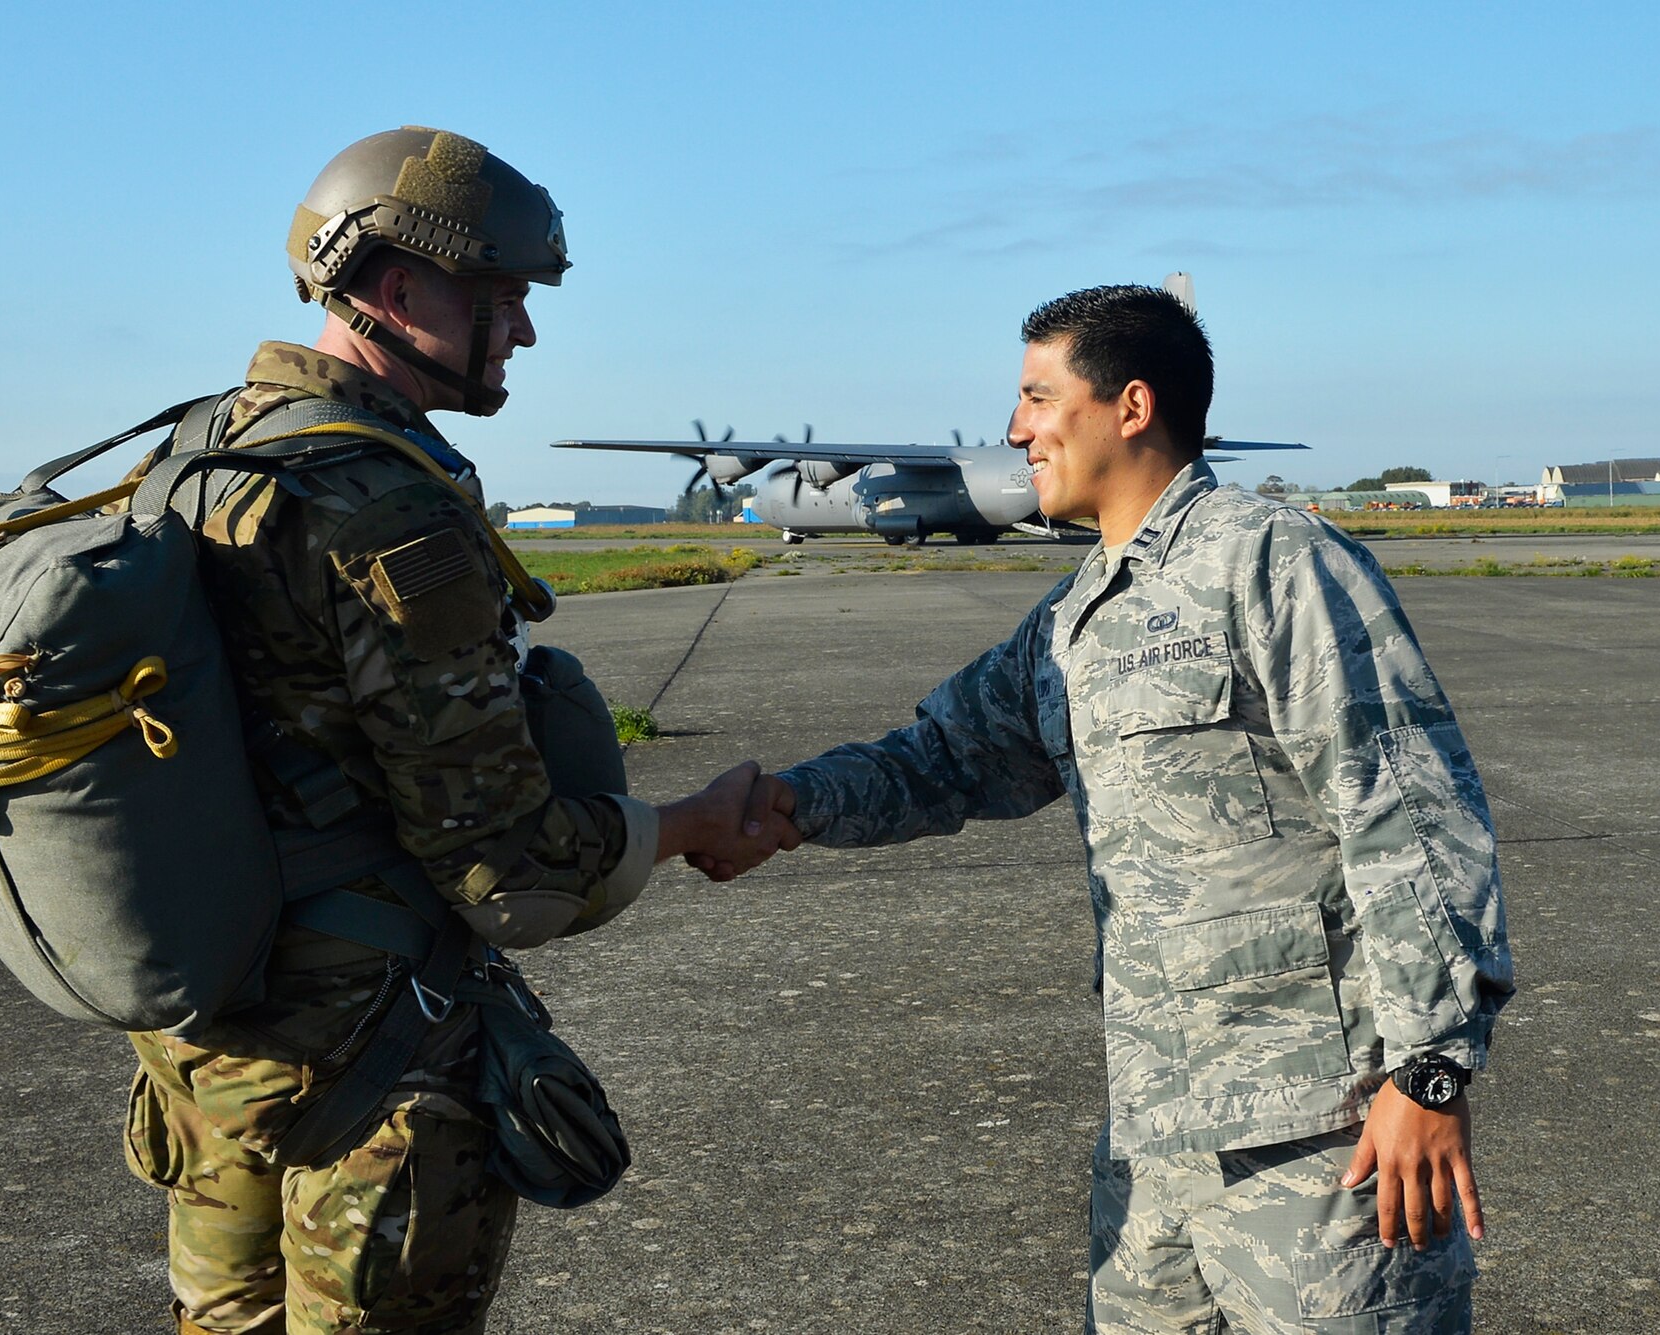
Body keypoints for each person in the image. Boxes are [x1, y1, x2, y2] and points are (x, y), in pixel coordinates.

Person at [734, 285, 1514, 1332]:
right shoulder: (1072, 615)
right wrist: (779, 803)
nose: (1015, 429)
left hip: (1320, 1138)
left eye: (1036, 396)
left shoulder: (1268, 559)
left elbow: (1407, 810)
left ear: (1129, 406)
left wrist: (1426, 1070)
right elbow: (943, 760)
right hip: (1155, 1141)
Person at [121, 126, 793, 1335]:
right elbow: (505, 870)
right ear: (395, 290)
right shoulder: (385, 508)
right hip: (367, 1066)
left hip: (214, 1056)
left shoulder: (198, 456)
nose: (523, 332)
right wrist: (682, 824)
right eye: (500, 299)